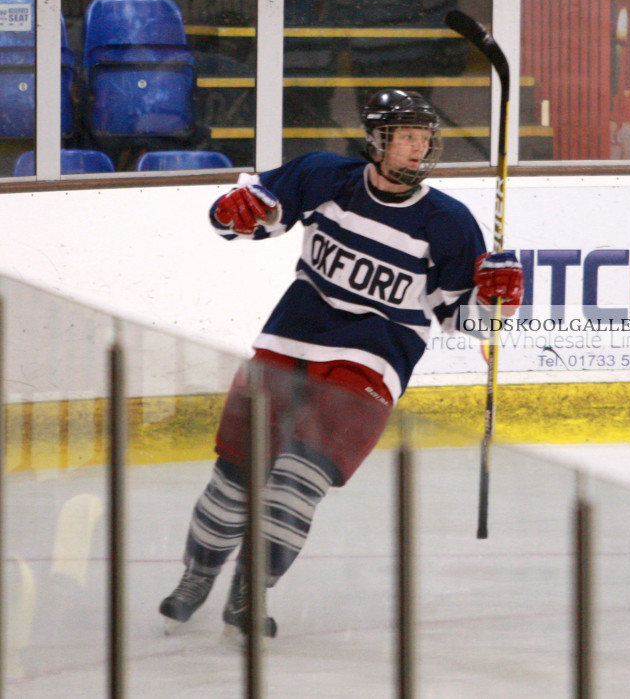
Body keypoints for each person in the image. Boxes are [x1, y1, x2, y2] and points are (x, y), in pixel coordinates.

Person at [158, 88, 524, 639]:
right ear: (376, 141)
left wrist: (497, 302)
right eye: (406, 139)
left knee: (299, 479)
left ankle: (249, 591)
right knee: (233, 476)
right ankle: (197, 576)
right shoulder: (324, 176)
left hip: (372, 364)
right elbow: (248, 220)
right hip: (288, 342)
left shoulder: (449, 222)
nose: (418, 151)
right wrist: (227, 213)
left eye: (425, 141)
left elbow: (462, 320)